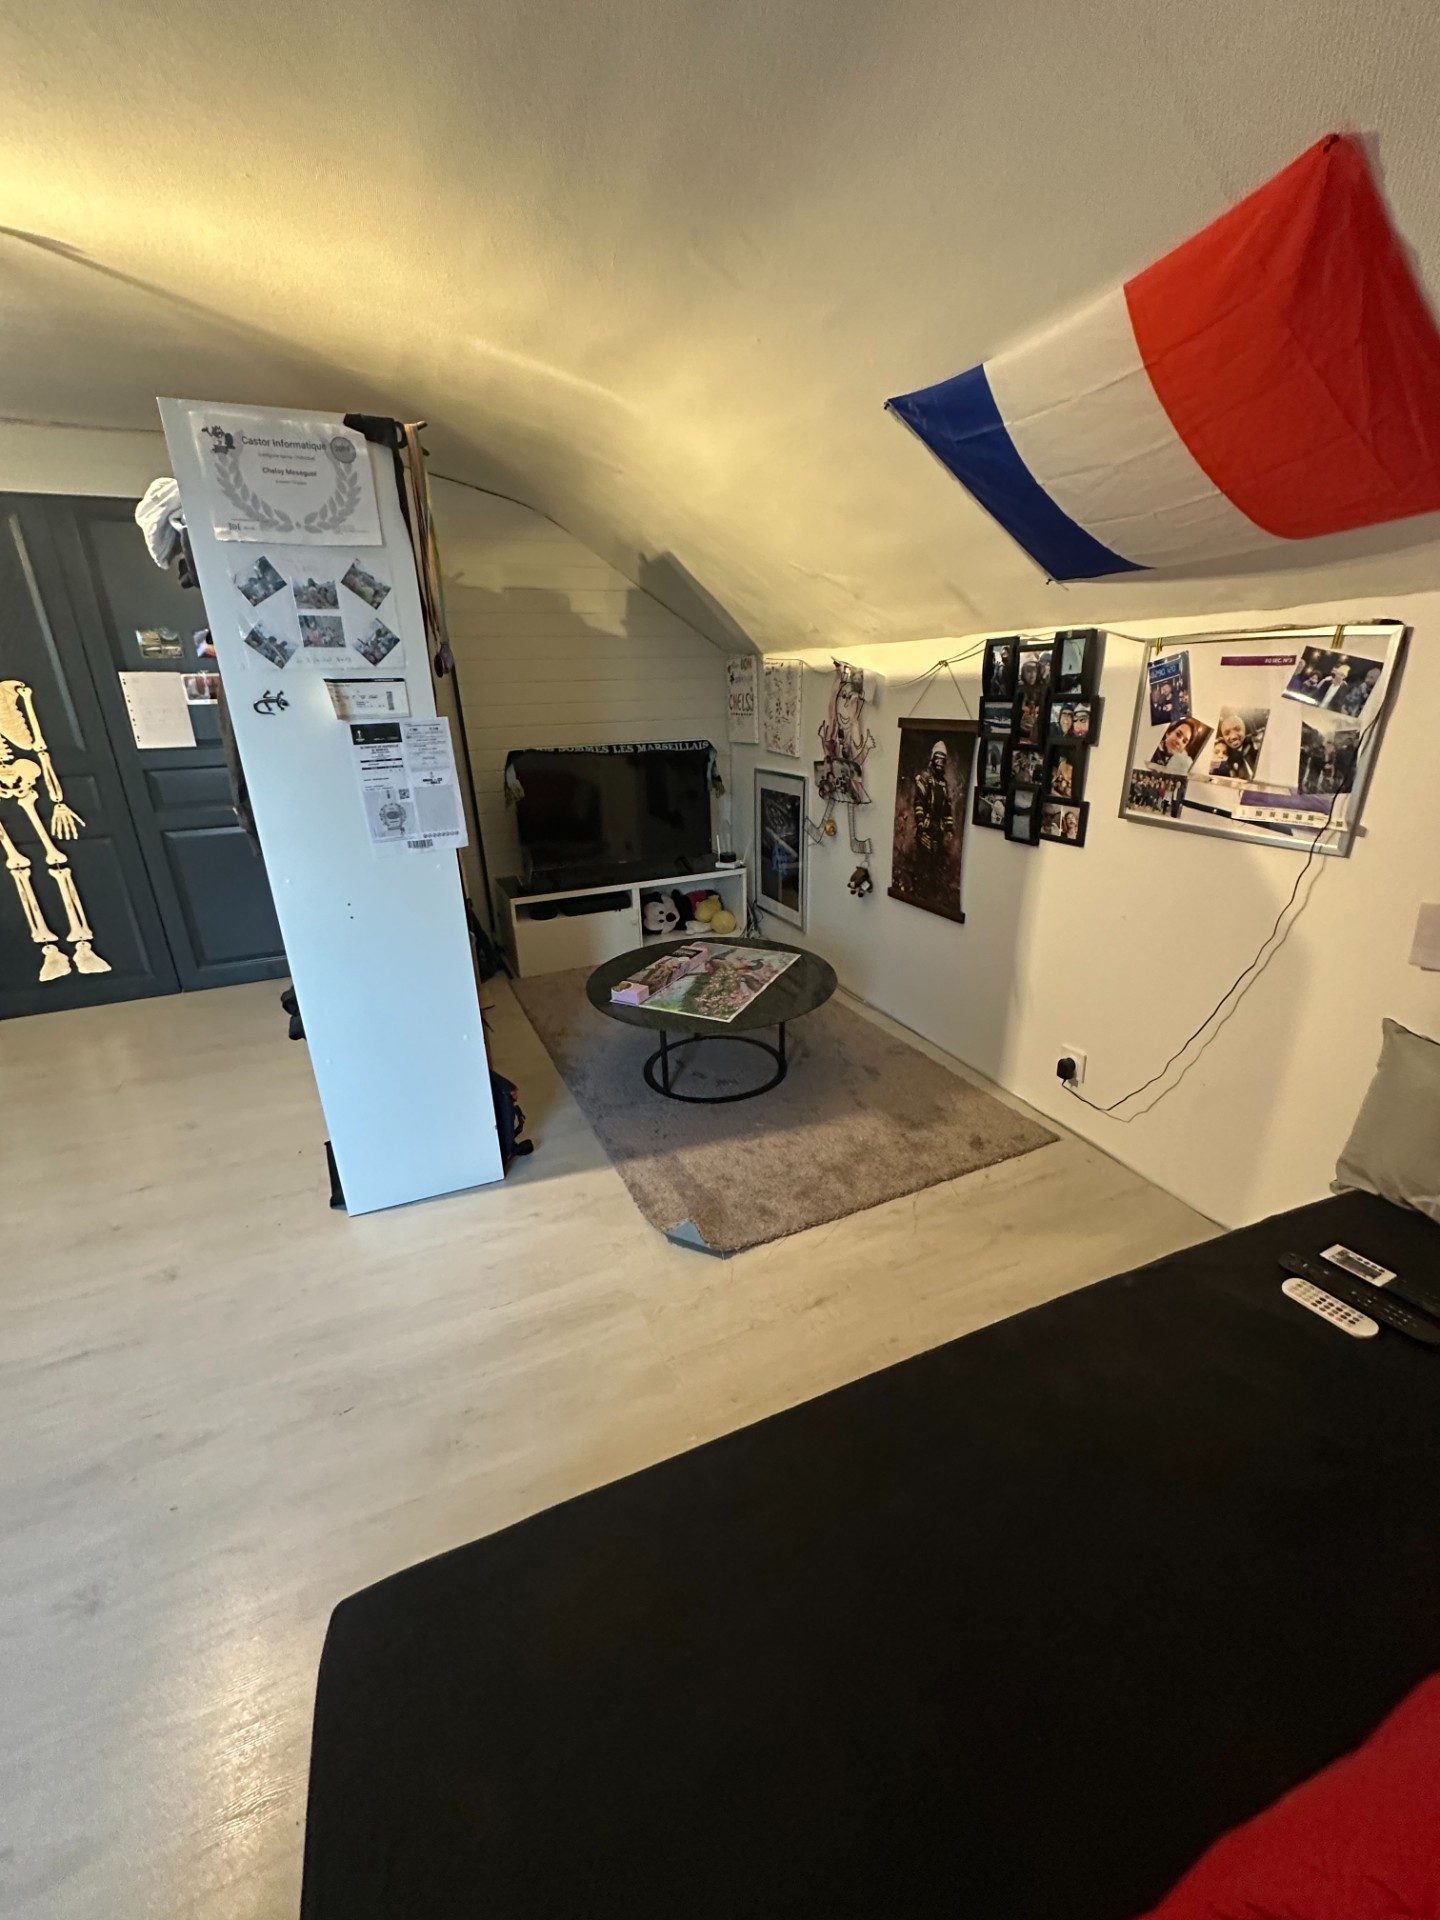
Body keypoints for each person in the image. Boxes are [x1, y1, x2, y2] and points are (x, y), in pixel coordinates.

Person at [911, 740, 954, 893]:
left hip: (938, 830)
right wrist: (920, 823)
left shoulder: (944, 784)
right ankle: (919, 890)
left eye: (943, 760)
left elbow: (947, 809)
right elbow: (919, 802)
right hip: (926, 827)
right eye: (938, 758)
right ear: (932, 759)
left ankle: (932, 892)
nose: (940, 763)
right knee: (923, 863)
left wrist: (949, 828)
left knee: (936, 865)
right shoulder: (924, 778)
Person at [1210, 710, 1259, 782]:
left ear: (1244, 730)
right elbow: (1212, 768)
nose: (1233, 736)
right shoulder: (1224, 754)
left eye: (1238, 729)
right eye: (1227, 733)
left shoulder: (1257, 745)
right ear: (1223, 737)